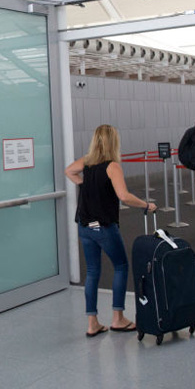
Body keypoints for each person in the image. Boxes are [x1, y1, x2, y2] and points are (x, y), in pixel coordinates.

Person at [65, 124, 156, 337]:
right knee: (121, 266)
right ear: (113, 142)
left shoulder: (86, 162)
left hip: (85, 226)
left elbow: (69, 171)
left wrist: (85, 185)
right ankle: (118, 318)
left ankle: (92, 323)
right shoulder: (112, 166)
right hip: (104, 227)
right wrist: (146, 205)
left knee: (93, 271)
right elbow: (124, 196)